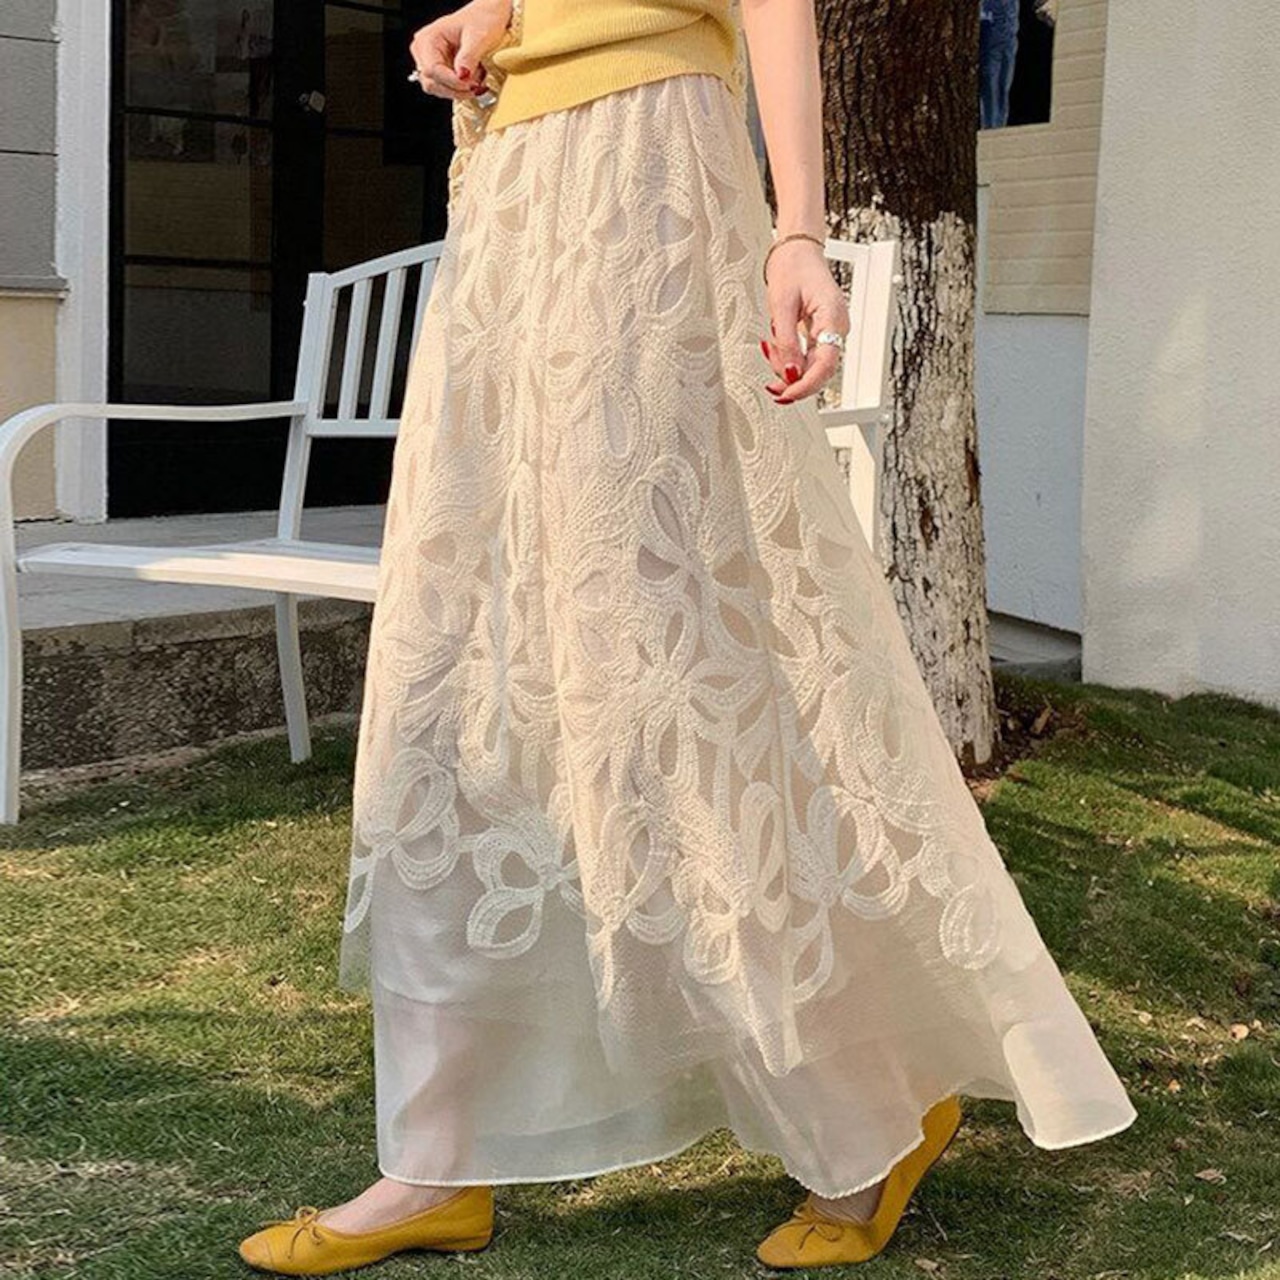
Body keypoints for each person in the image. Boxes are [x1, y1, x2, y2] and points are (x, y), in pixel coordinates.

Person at [237, 0, 1136, 1272]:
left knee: (664, 659)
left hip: (644, 182)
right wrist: (490, 13)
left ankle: (862, 1107)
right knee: (457, 664)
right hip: (509, 193)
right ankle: (431, 1156)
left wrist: (797, 231)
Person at [980, 0, 1020, 129]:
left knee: (1003, 87)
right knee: (990, 89)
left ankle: (1000, 127)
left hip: (1008, 43)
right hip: (990, 46)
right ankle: (989, 128)